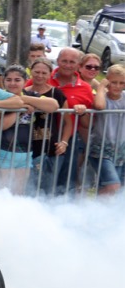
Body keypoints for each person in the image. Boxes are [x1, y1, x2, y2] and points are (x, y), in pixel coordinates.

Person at [0, 64, 59, 195]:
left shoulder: (31, 95)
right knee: (0, 193)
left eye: (17, 80)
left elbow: (54, 105)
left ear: (24, 81)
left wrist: (21, 99)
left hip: (25, 154)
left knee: (19, 193)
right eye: (9, 80)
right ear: (3, 81)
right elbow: (0, 126)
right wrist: (19, 111)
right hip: (2, 151)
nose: (12, 83)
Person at [48, 48, 93, 195]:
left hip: (70, 140)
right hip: (41, 136)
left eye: (72, 62)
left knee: (66, 181)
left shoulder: (85, 88)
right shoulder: (43, 77)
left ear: (78, 64)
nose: (67, 65)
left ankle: (64, 212)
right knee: (43, 178)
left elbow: (87, 124)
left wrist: (83, 111)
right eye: (64, 61)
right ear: (58, 61)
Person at [24, 58, 71, 196]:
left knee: (47, 190)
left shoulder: (57, 94)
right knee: (28, 189)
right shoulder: (24, 92)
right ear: (31, 71)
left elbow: (68, 121)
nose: (40, 75)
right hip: (27, 147)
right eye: (37, 71)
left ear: (50, 73)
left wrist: (64, 142)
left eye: (44, 73)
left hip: (50, 148)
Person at [87, 64, 125, 196]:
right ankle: (94, 208)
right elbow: (99, 105)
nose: (118, 86)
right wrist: (101, 87)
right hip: (101, 148)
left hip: (120, 148)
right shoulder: (102, 96)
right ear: (107, 81)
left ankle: (103, 213)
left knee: (116, 188)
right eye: (114, 82)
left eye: (122, 83)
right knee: (113, 184)